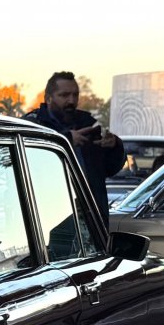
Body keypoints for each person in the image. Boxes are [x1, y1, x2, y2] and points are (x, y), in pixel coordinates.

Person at [25, 72, 125, 223]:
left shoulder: (88, 124)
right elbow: (30, 162)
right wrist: (66, 140)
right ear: (48, 98)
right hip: (49, 217)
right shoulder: (33, 125)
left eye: (75, 95)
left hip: (90, 218)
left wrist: (114, 146)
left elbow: (110, 169)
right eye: (64, 95)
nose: (71, 101)